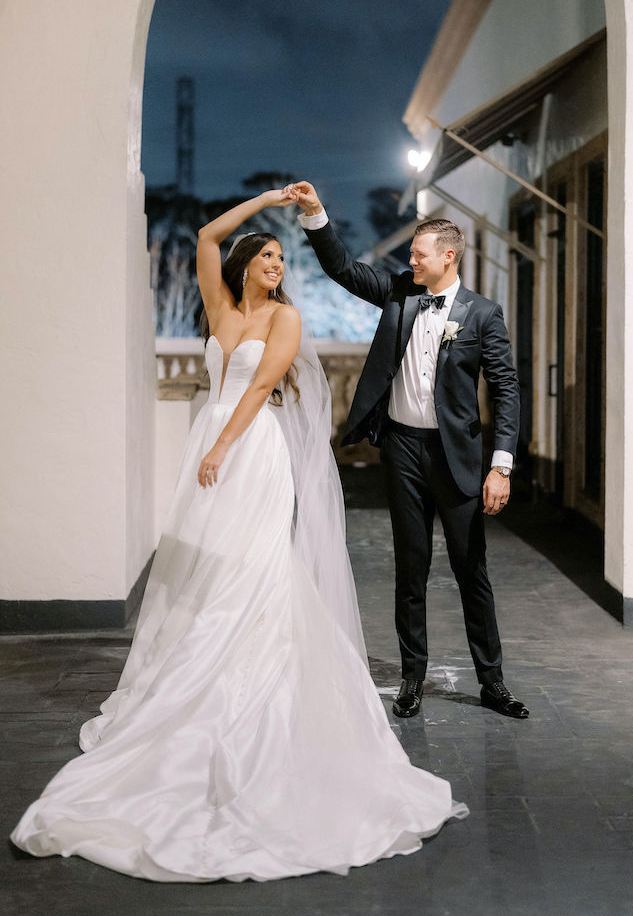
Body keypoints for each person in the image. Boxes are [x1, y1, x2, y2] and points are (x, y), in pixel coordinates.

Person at [10, 190, 467, 882]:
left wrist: (220, 447)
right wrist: (269, 200)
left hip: (250, 452)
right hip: (212, 445)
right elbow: (203, 234)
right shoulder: (222, 309)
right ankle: (188, 681)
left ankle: (249, 687)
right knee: (198, 575)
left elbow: (259, 391)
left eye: (285, 256)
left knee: (254, 569)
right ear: (247, 264)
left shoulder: (285, 318)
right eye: (270, 254)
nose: (280, 264)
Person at [287, 180, 529, 722]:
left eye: (418, 255)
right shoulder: (400, 292)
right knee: (410, 569)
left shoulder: (483, 314)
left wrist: (501, 466)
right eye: (410, 255)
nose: (410, 261)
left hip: (459, 457)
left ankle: (492, 682)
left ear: (448, 257)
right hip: (402, 450)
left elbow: (506, 389)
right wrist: (317, 214)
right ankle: (411, 679)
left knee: (472, 571)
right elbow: (344, 269)